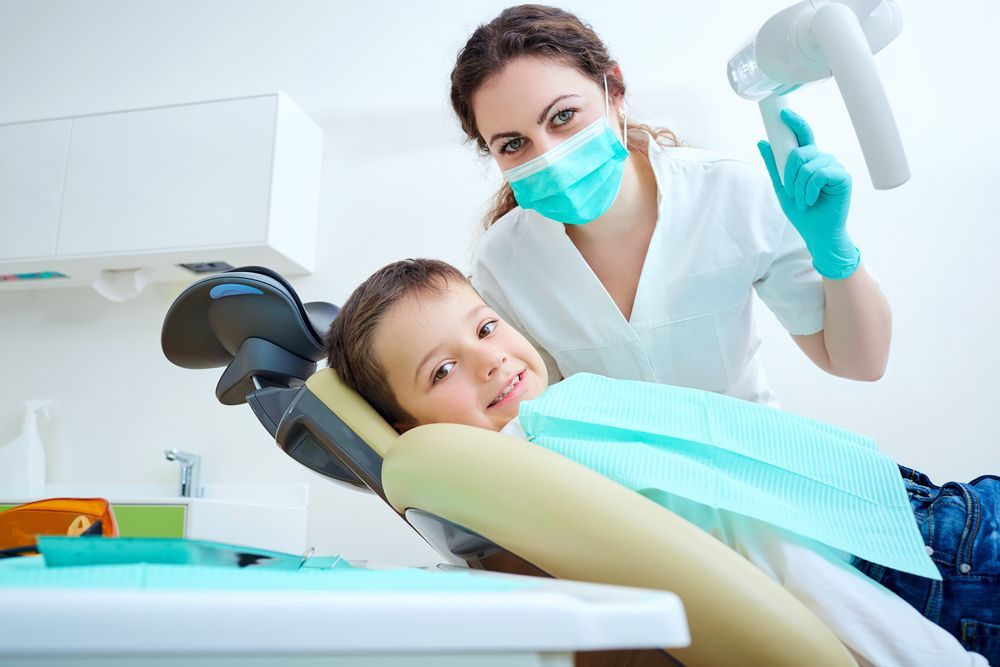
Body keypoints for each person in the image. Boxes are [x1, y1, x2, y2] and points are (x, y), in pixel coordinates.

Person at [324, 258, 998, 666]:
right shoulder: (536, 462)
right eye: (442, 369)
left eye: (485, 325)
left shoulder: (558, 417)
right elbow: (767, 549)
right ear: (407, 426)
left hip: (930, 522)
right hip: (940, 565)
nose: (489, 358)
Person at [449, 5, 892, 407]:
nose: (549, 156)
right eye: (513, 144)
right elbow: (541, 415)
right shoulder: (503, 264)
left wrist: (835, 253)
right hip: (615, 492)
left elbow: (860, 363)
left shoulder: (729, 191)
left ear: (614, 91)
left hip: (756, 469)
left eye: (563, 116)